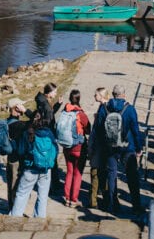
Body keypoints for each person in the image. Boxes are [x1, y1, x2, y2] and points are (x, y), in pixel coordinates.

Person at [93, 84, 144, 216]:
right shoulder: (130, 109)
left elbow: (98, 128)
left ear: (113, 94)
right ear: (124, 94)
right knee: (132, 176)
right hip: (128, 146)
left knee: (112, 175)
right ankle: (136, 206)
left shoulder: (104, 108)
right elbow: (135, 130)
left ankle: (113, 203)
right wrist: (139, 148)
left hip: (110, 147)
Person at [10, 114, 59, 217]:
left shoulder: (27, 133)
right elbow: (55, 149)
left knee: (22, 193)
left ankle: (15, 216)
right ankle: (40, 218)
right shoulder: (49, 133)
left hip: (30, 168)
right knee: (43, 196)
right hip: (46, 169)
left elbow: (21, 151)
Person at [57, 90, 92, 207]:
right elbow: (88, 129)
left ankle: (66, 198)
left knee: (69, 172)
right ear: (79, 98)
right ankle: (73, 199)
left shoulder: (64, 110)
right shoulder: (80, 114)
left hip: (67, 147)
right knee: (78, 174)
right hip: (78, 147)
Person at [1, 98, 29, 204]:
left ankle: (12, 207)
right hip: (17, 160)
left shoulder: (8, 121)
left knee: (11, 185)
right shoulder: (18, 125)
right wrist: (26, 111)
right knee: (15, 187)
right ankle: (14, 211)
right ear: (17, 108)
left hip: (11, 158)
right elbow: (35, 122)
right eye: (21, 106)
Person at [86, 87, 109, 210]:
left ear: (101, 95)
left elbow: (98, 130)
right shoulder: (107, 107)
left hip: (99, 145)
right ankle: (105, 200)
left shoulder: (102, 109)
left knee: (95, 173)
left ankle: (93, 200)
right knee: (104, 173)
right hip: (106, 145)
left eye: (96, 94)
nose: (94, 96)